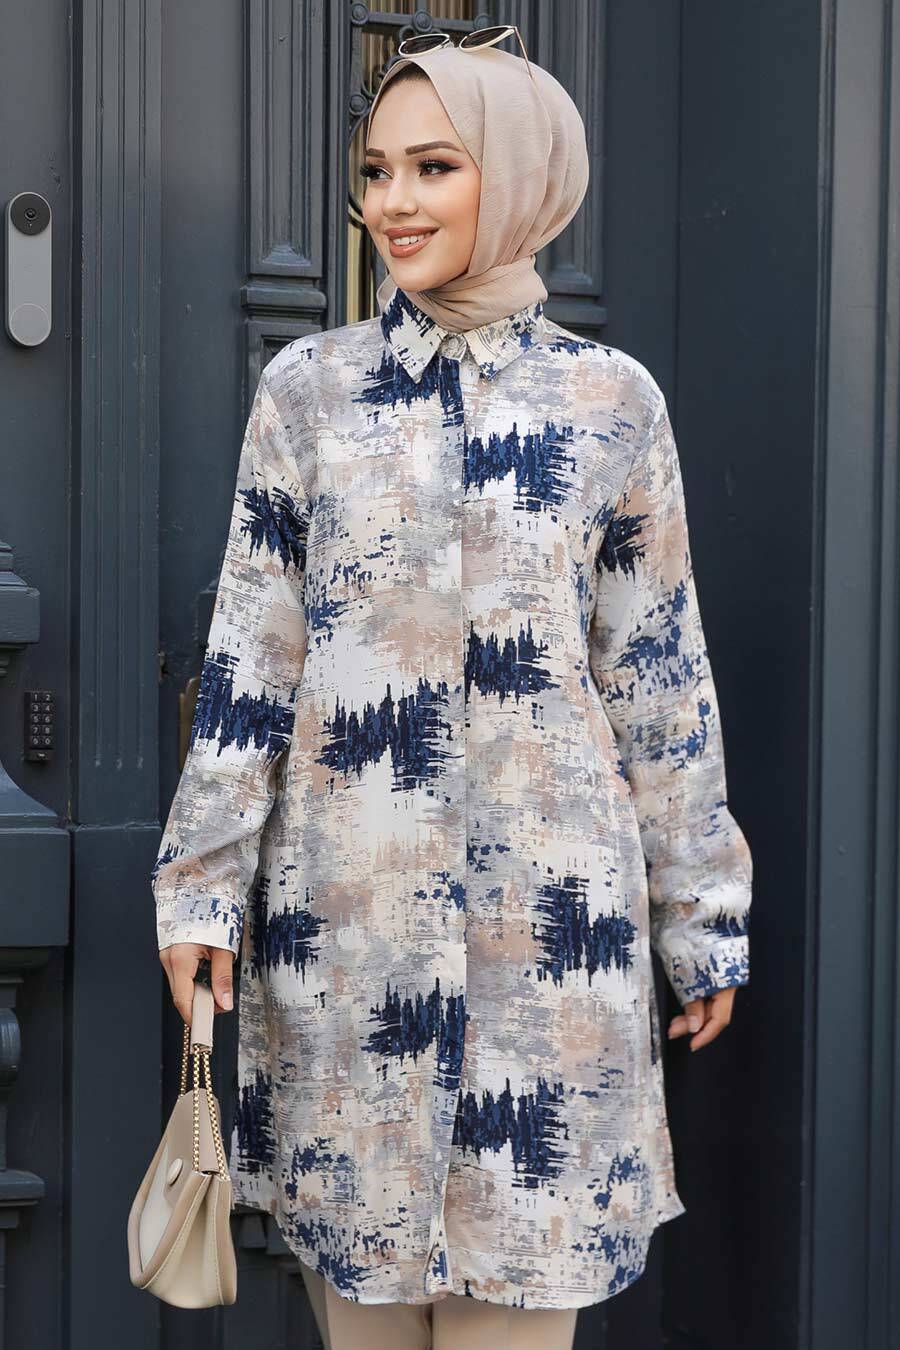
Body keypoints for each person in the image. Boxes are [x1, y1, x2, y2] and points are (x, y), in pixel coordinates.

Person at [151, 31, 752, 1350]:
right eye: (377, 170)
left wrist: (703, 916)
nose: (395, 201)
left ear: (522, 176)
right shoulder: (308, 395)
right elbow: (252, 659)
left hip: (552, 959)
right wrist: (200, 887)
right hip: (348, 948)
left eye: (436, 166)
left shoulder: (612, 406)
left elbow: (659, 675)